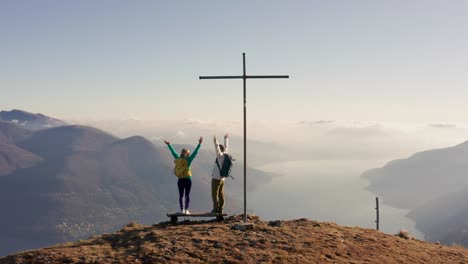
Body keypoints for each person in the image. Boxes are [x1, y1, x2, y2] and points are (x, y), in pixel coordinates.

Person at [164, 136, 203, 215]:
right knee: (187, 195)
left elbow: (173, 152)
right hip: (188, 179)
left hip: (180, 180)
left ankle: (182, 210)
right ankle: (186, 210)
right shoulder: (188, 160)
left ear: (181, 153)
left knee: (181, 195)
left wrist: (169, 145)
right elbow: (195, 153)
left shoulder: (178, 159)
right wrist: (199, 144)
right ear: (188, 154)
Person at [212, 133, 229, 214]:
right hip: (222, 179)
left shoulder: (220, 156)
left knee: (214, 194)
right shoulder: (226, 155)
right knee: (221, 194)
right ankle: (221, 209)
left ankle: (215, 209)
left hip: (216, 178)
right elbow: (226, 147)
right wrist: (226, 139)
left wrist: (215, 141)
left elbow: (217, 148)